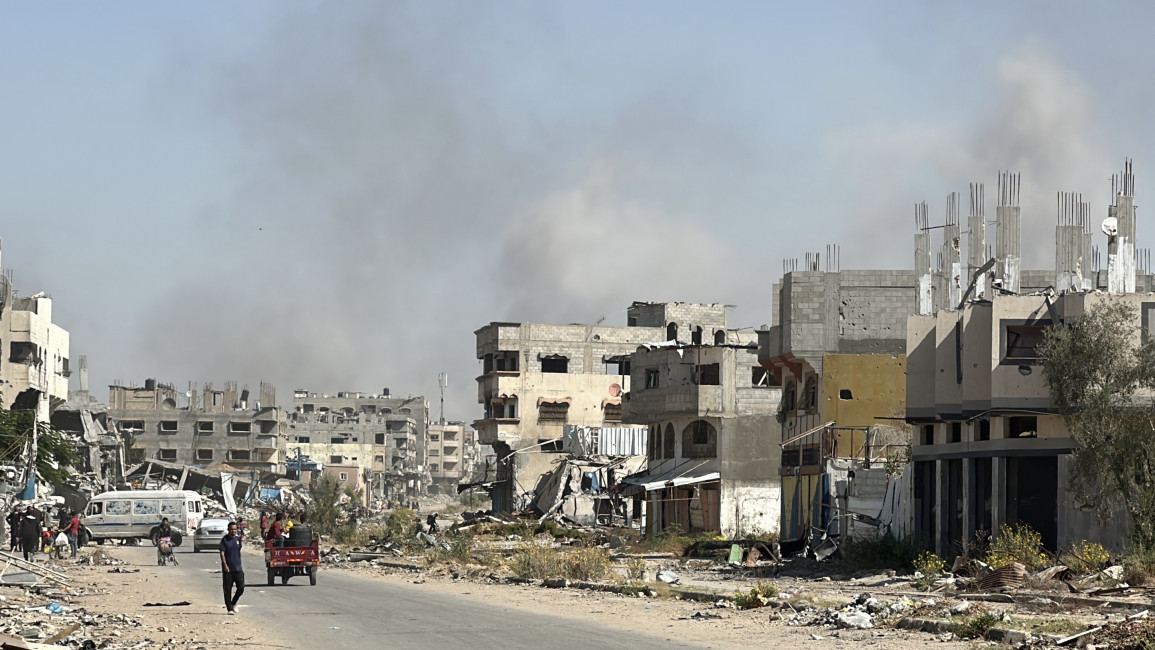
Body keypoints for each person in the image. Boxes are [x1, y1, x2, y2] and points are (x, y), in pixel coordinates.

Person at [219, 521, 244, 615]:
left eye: (235, 529)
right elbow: (222, 553)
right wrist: (225, 565)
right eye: (231, 529)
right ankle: (229, 608)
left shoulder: (238, 539)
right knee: (227, 589)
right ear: (228, 530)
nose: (233, 531)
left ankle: (233, 603)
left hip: (238, 568)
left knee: (241, 588)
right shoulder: (224, 540)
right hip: (228, 569)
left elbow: (238, 551)